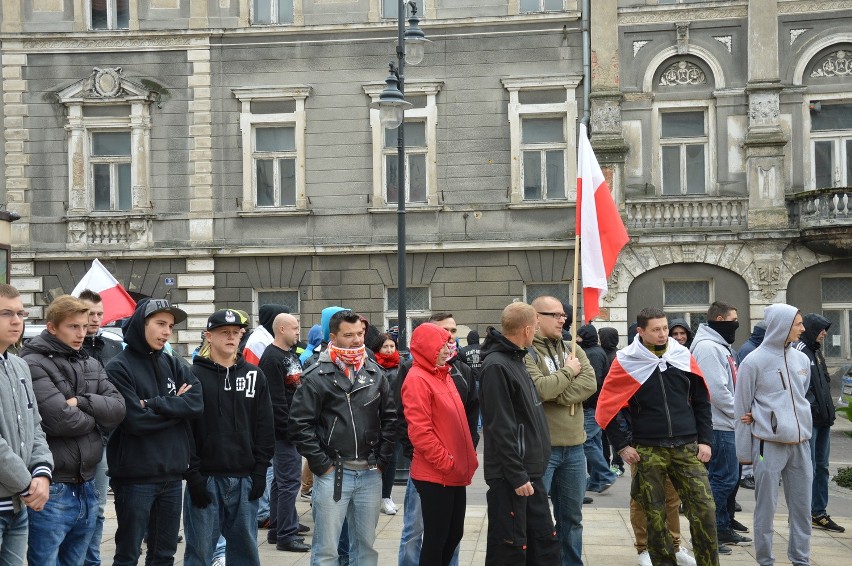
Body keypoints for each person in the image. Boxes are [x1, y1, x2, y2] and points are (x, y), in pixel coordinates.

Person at [597, 307, 718, 566]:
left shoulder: (682, 355)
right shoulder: (626, 361)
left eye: (665, 328)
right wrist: (622, 446)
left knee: (705, 509)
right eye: (656, 329)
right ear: (640, 331)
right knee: (654, 514)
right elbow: (609, 406)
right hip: (647, 449)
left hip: (687, 446)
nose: (664, 334)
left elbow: (701, 401)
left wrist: (706, 440)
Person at [21, 295, 126, 565]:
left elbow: (118, 409)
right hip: (53, 485)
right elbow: (60, 421)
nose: (81, 333)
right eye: (73, 327)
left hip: (87, 483)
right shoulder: (33, 363)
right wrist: (97, 418)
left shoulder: (89, 362)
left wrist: (81, 402)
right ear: (52, 327)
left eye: (83, 326)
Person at [288, 309, 396, 566]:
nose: (357, 340)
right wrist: (321, 465)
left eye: (360, 333)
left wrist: (382, 460)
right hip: (332, 473)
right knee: (326, 550)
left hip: (370, 471)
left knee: (365, 549)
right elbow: (299, 425)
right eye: (349, 335)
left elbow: (391, 419)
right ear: (333, 337)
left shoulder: (374, 372)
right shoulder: (316, 375)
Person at [105, 298, 204, 566]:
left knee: (164, 554)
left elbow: (196, 403)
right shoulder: (118, 367)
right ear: (142, 324)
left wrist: (154, 404)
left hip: (172, 476)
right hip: (135, 477)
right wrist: (177, 410)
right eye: (160, 324)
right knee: (128, 554)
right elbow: (135, 421)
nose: (166, 332)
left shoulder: (171, 362)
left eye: (170, 326)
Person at [182, 309, 274, 566]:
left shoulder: (255, 376)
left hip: (245, 478)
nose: (231, 338)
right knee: (200, 551)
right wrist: (194, 475)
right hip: (206, 478)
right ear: (209, 336)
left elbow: (265, 426)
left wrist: (260, 471)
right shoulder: (193, 376)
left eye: (236, 333)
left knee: (245, 552)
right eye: (224, 333)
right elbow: (186, 429)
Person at [480, 302, 562, 565]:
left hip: (531, 473)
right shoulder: (496, 365)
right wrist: (516, 475)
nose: (536, 332)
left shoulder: (519, 359)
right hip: (513, 478)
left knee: (544, 544)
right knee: (511, 549)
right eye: (536, 327)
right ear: (527, 329)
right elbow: (499, 426)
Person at [397, 313, 479, 566]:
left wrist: (465, 459)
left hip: (453, 471)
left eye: (448, 344)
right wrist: (446, 461)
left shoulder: (444, 374)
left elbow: (462, 419)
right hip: (437, 473)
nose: (447, 349)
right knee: (436, 537)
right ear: (427, 348)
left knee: (453, 534)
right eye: (441, 345)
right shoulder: (417, 378)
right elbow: (419, 430)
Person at [735, 304, 812, 566]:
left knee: (802, 508)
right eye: (798, 323)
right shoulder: (753, 361)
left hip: (801, 445)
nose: (803, 328)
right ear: (782, 325)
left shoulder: (801, 359)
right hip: (768, 447)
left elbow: (801, 396)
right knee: (765, 507)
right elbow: (741, 407)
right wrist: (745, 453)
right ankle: (765, 560)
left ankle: (801, 559)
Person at [525, 297, 596, 566]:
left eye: (563, 315)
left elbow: (590, 383)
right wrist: (568, 372)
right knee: (538, 517)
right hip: (543, 449)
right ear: (536, 317)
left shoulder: (573, 349)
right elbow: (540, 389)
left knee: (572, 518)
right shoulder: (528, 351)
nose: (562, 319)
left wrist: (559, 392)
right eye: (554, 315)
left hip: (575, 448)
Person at [690, 301, 751, 553]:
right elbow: (715, 391)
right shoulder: (707, 348)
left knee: (729, 480)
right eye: (732, 320)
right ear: (718, 319)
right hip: (719, 425)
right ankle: (710, 533)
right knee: (721, 481)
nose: (736, 324)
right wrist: (739, 414)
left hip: (728, 424)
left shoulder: (720, 346)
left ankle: (723, 527)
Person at [0, 284, 53, 562]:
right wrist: (27, 484)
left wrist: (42, 473)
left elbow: (34, 425)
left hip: (18, 506)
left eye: (21, 313)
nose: (16, 320)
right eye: (6, 313)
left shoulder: (19, 365)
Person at [78, 288, 126, 566]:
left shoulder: (113, 347)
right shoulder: (71, 347)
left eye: (99, 314)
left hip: (109, 436)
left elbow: (118, 394)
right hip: (76, 437)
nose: (95, 319)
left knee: (97, 507)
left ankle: (91, 560)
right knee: (74, 508)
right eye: (89, 313)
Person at [260, 312, 312, 552]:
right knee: (289, 481)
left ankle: (279, 526)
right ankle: (285, 535)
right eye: (295, 328)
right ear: (281, 329)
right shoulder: (271, 358)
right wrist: (290, 431)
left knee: (282, 483)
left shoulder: (290, 354)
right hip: (283, 432)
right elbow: (275, 401)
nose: (298, 331)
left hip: (293, 427)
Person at [793, 314, 845, 533]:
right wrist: (812, 408)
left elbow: (823, 384)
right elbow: (799, 388)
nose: (825, 334)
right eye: (822, 329)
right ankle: (806, 513)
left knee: (822, 468)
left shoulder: (816, 352)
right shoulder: (800, 352)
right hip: (810, 421)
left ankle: (819, 512)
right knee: (809, 468)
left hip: (824, 421)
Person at [576, 324, 618, 494]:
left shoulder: (592, 354)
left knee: (585, 441)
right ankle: (596, 480)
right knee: (594, 441)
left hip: (591, 406)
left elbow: (594, 383)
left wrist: (584, 401)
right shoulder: (596, 351)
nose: (576, 340)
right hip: (596, 405)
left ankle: (606, 475)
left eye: (579, 337)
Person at [369, 332, 401, 516]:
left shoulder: (401, 365)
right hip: (375, 421)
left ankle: (386, 496)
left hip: (393, 421)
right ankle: (374, 496)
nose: (389, 350)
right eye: (385, 346)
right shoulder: (374, 367)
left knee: (392, 460)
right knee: (374, 460)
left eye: (392, 346)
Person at [735, 321, 765, 491]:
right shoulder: (750, 350)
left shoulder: (754, 347)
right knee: (751, 443)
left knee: (759, 445)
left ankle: (755, 470)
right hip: (750, 406)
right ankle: (747, 474)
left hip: (755, 407)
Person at [596, 327, 623, 476]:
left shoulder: (615, 356)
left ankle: (616, 464)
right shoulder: (616, 354)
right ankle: (612, 464)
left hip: (613, 400)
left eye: (601, 337)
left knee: (612, 435)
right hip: (611, 400)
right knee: (607, 435)